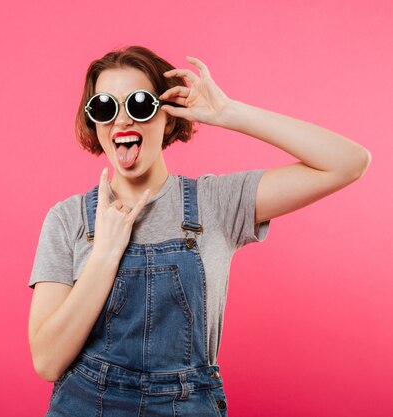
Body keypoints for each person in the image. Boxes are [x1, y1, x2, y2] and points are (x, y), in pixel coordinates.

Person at [27, 45, 370, 416]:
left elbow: (347, 162)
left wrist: (227, 112)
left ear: (168, 116)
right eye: (105, 107)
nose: (122, 121)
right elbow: (47, 360)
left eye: (139, 104)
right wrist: (105, 255)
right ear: (94, 121)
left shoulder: (215, 203)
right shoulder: (68, 218)